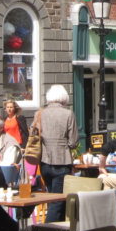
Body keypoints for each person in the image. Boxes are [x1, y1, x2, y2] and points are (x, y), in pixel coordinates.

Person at [35, 84, 79, 223]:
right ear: (64, 98)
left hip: (44, 161)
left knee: (52, 197)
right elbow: (73, 142)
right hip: (62, 161)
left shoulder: (40, 113)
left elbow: (33, 134)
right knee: (58, 200)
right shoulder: (68, 114)